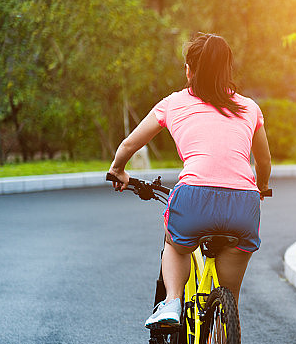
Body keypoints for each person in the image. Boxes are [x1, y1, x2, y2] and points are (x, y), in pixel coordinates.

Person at [108, 32, 272, 328]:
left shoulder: (173, 104)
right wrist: (260, 188)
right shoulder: (249, 107)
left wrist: (118, 169)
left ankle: (172, 302)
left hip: (194, 197)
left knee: (175, 245)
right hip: (243, 206)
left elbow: (129, 146)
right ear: (228, 71)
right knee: (230, 297)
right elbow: (264, 162)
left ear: (189, 70)